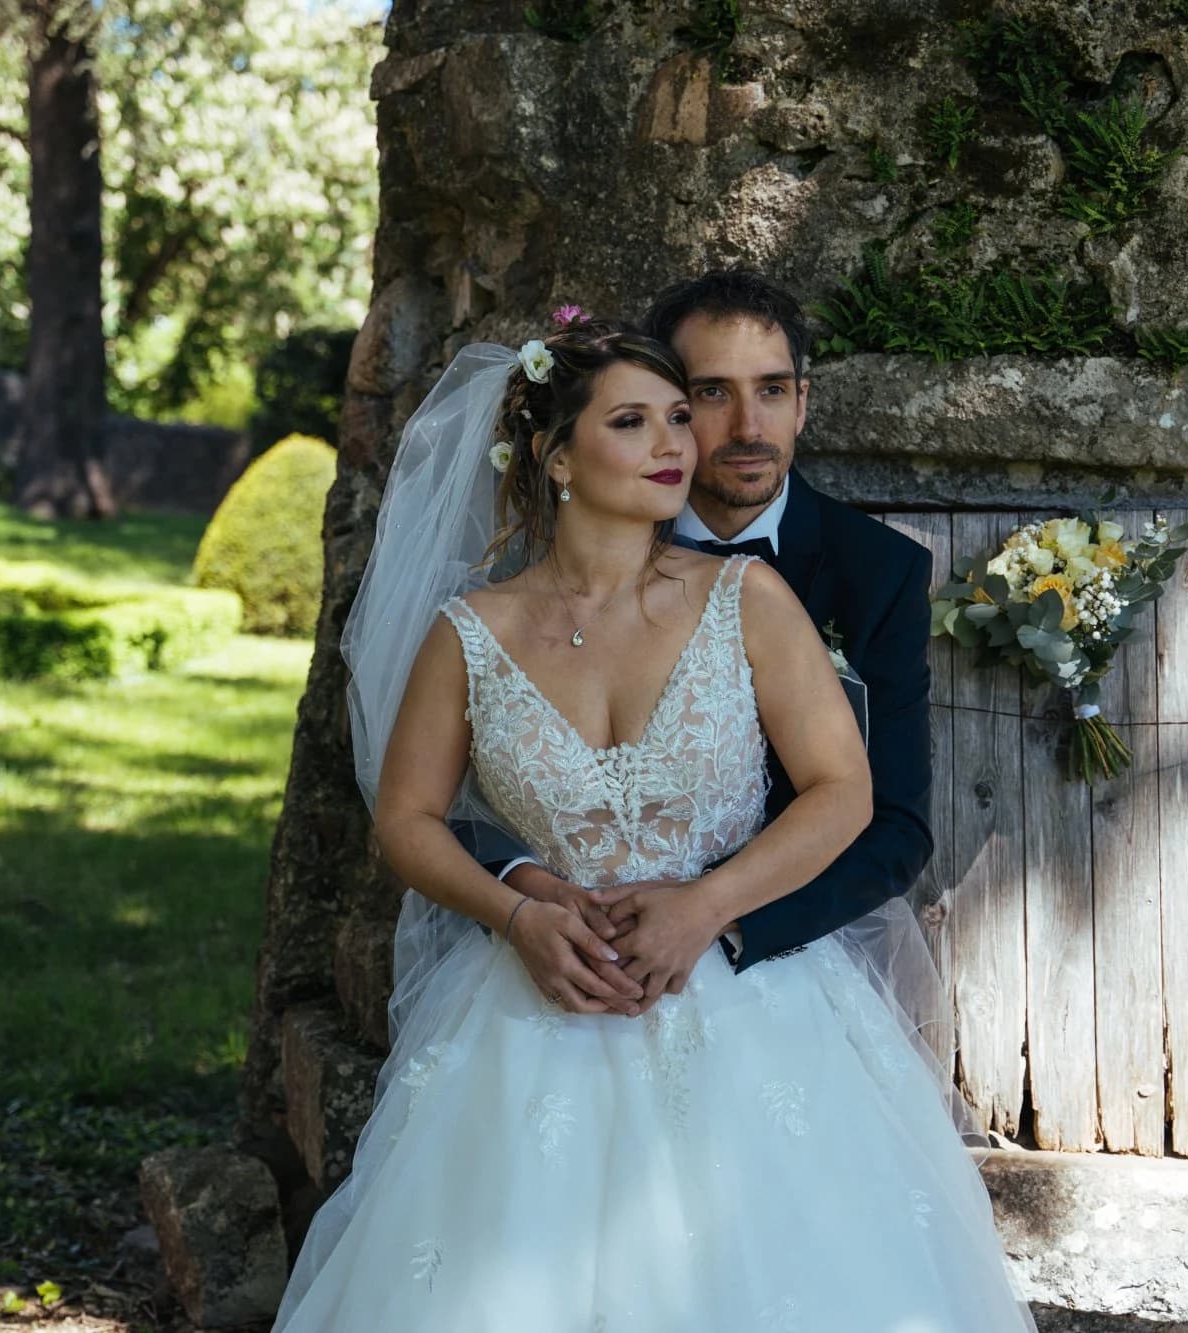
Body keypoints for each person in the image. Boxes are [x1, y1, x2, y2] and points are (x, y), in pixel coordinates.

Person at [272, 316, 1034, 1331]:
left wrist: (703, 907)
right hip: (539, 1000)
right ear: (553, 459)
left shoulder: (746, 598)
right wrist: (516, 914)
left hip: (745, 995)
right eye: (633, 422)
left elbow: (842, 792)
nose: (677, 443)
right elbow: (407, 820)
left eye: (680, 417)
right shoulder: (471, 632)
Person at [455, 270, 937, 1013]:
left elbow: (896, 823)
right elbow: (461, 789)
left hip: (774, 962)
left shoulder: (878, 572)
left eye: (773, 390)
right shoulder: (544, 564)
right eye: (712, 394)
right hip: (561, 960)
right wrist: (527, 888)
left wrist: (721, 918)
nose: (748, 426)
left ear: (803, 403)